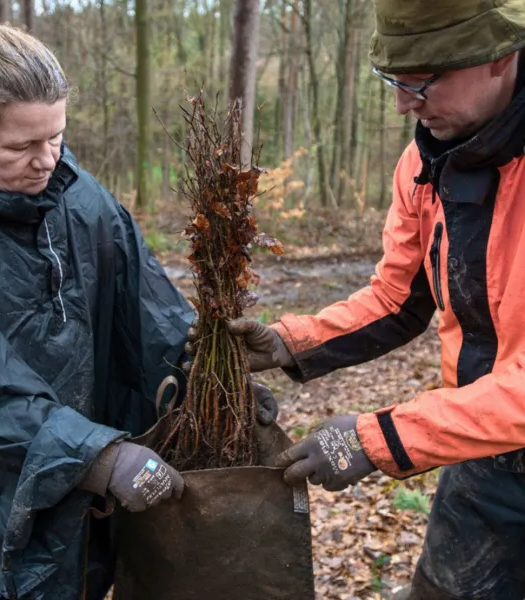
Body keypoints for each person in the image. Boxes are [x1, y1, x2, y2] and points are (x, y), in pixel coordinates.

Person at [0, 14, 278, 600]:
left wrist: (205, 382)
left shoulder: (81, 199)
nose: (46, 160)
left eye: (56, 136)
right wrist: (92, 455)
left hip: (90, 510)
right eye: (22, 145)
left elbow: (148, 316)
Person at [202, 1, 525, 598]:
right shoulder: (425, 164)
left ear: (501, 57)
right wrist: (289, 340)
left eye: (422, 82)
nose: (404, 104)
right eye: (393, 81)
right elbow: (398, 296)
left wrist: (376, 439)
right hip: (483, 458)